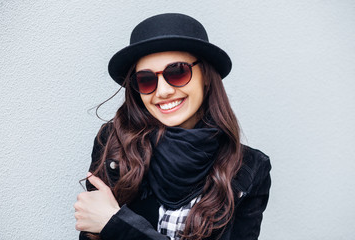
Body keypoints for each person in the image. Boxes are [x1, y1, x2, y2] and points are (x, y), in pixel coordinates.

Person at [74, 13, 271, 240]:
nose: (163, 91)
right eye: (146, 79)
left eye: (177, 72)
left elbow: (106, 225)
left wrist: (117, 225)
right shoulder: (116, 143)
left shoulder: (249, 169)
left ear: (206, 76)